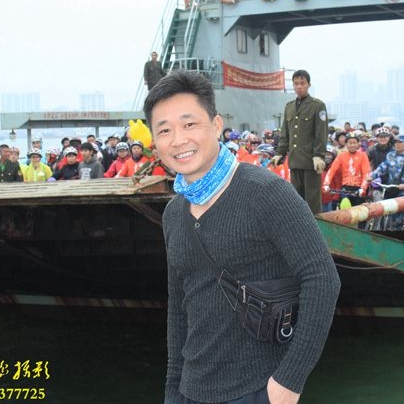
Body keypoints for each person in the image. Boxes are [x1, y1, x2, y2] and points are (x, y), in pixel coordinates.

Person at [144, 70, 340, 404]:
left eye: (189, 124)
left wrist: (288, 382)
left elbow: (322, 280)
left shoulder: (267, 192)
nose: (178, 139)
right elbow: (179, 310)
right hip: (191, 391)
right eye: (165, 130)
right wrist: (173, 389)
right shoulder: (174, 214)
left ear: (216, 125)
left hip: (257, 389)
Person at [274, 69, 329, 214]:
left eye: (302, 83)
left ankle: (315, 227)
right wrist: (280, 152)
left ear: (308, 85)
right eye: (296, 83)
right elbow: (285, 133)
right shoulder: (289, 107)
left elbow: (321, 133)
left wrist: (319, 155)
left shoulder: (317, 106)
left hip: (311, 162)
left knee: (312, 202)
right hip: (295, 161)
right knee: (296, 201)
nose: (299, 86)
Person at [369, 135, 404, 230]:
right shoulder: (390, 155)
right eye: (395, 142)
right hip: (393, 190)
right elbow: (383, 167)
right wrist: (371, 176)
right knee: (393, 220)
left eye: (400, 142)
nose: (397, 144)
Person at [322, 131, 370, 207]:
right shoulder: (341, 156)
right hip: (345, 188)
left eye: (354, 143)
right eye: (350, 143)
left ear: (358, 144)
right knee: (344, 207)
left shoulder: (363, 155)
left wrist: (363, 188)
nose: (352, 145)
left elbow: (366, 173)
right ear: (346, 144)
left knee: (359, 211)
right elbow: (332, 170)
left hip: (359, 189)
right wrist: (326, 184)